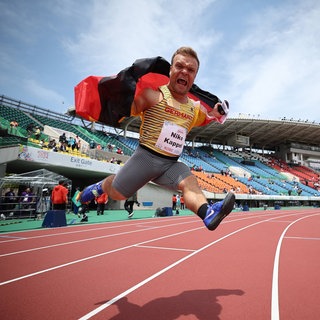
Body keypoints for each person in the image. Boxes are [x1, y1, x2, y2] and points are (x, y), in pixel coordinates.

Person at [79, 46, 235, 231]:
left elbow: (206, 117)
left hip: (171, 164)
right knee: (118, 193)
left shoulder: (194, 109)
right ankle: (101, 186)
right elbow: (124, 108)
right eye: (179, 66)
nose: (184, 71)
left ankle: (207, 212)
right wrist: (120, 93)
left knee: (190, 182)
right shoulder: (153, 96)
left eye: (191, 70)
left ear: (194, 77)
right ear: (170, 70)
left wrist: (217, 113)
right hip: (145, 159)